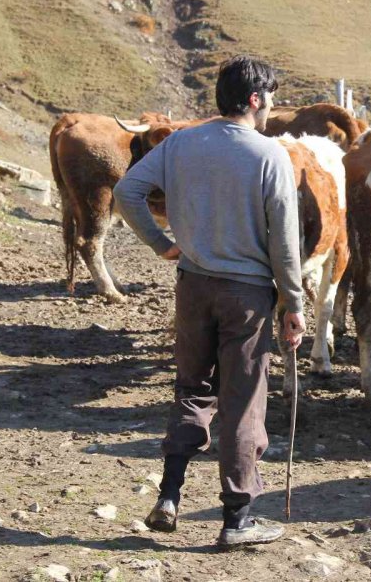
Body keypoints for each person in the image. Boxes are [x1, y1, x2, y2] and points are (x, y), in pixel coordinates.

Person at [114, 55, 305, 549]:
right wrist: (294, 303)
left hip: (193, 285)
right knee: (242, 404)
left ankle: (169, 496)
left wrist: (162, 245)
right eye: (271, 98)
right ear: (256, 99)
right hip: (247, 296)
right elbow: (285, 243)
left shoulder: (181, 142)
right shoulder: (270, 155)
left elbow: (128, 190)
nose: (272, 107)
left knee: (191, 389)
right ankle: (237, 519)